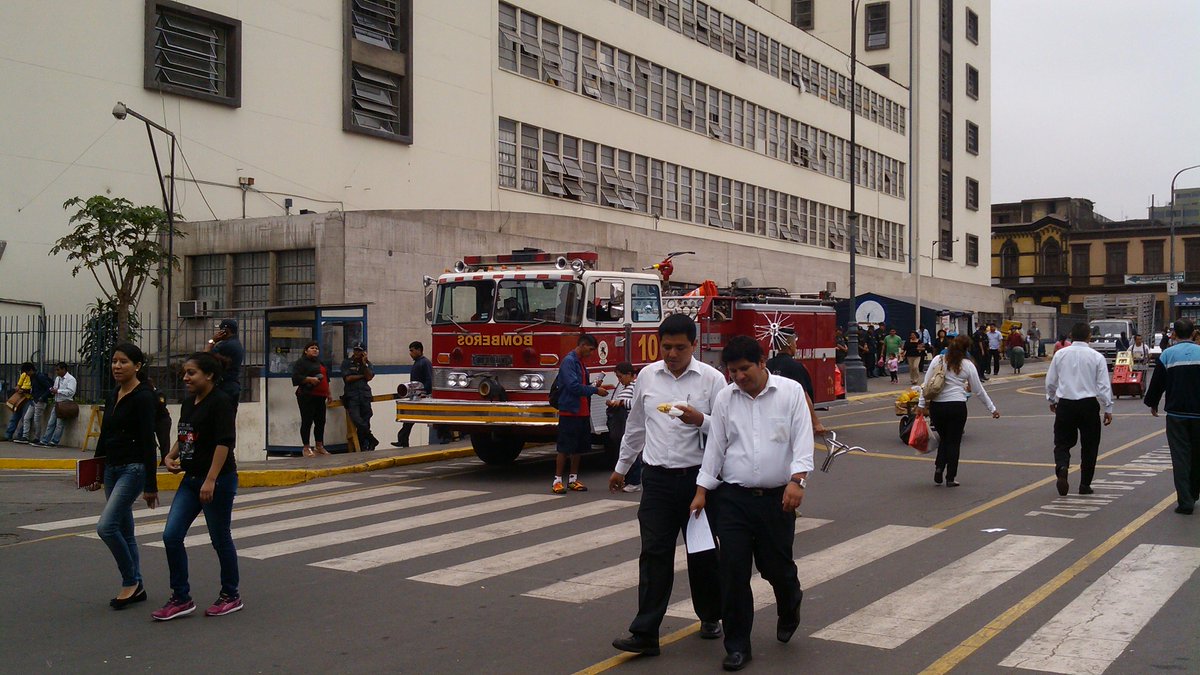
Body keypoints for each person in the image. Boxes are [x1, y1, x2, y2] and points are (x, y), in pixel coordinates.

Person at [688, 336, 813, 672]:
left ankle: (790, 603)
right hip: (733, 499)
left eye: (744, 369)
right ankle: (738, 646)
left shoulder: (789, 393)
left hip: (778, 499)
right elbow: (716, 446)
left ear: (762, 362)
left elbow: (803, 439)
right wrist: (702, 490)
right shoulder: (727, 398)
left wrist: (797, 480)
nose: (739, 377)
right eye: (732, 371)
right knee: (733, 573)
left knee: (776, 568)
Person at [608, 313, 725, 656]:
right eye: (667, 346)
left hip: (697, 482)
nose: (672, 353)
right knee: (654, 554)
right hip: (656, 479)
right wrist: (621, 467)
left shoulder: (712, 380)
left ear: (694, 345)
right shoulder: (647, 376)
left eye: (680, 347)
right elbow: (636, 426)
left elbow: (726, 430)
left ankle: (710, 614)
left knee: (702, 554)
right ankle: (645, 632)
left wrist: (699, 419)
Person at [155, 352, 242, 620]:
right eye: (185, 372)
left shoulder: (221, 402)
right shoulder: (189, 402)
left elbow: (224, 443)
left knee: (219, 538)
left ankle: (231, 594)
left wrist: (211, 480)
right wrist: (171, 455)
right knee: (171, 535)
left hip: (217, 481)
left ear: (209, 375)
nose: (185, 377)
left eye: (191, 373)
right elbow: (186, 435)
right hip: (191, 479)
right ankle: (180, 597)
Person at [86, 343, 159, 610]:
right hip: (112, 468)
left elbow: (148, 441)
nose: (117, 366)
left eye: (123, 362)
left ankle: (131, 582)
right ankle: (136, 585)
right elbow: (105, 435)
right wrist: (95, 470)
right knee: (125, 531)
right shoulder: (113, 394)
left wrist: (151, 485)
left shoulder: (143, 397)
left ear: (137, 366)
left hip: (133, 468)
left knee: (106, 527)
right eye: (114, 361)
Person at [916, 335, 1000, 486]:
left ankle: (939, 467)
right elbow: (978, 390)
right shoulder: (967, 365)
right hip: (957, 406)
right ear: (966, 349)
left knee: (944, 438)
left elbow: (926, 383)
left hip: (937, 406)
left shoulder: (938, 360)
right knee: (953, 442)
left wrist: (921, 405)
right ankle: (950, 477)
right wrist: (992, 408)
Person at [1045, 322, 1113, 497]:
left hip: (1066, 403)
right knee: (1090, 445)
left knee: (1062, 442)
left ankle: (1062, 467)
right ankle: (1085, 484)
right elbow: (1103, 385)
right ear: (1089, 336)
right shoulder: (1096, 356)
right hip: (1088, 404)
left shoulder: (1060, 354)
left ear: (1070, 335)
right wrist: (1108, 407)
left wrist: (1052, 399)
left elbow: (1051, 381)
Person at [1144, 319, 1200, 515]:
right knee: (1197, 455)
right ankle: (1193, 492)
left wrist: (1152, 403)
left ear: (1174, 334)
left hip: (1176, 415)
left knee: (1180, 457)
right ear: (1193, 334)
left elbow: (1157, 383)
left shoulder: (1167, 355)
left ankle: (1185, 501)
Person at [553, 334, 609, 494]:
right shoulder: (569, 362)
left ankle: (573, 479)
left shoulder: (581, 363)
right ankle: (557, 480)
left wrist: (593, 385)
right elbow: (573, 387)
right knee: (564, 447)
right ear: (583, 345)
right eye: (590, 349)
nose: (591, 353)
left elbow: (581, 385)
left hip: (583, 411)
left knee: (578, 448)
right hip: (570, 411)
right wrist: (595, 390)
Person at [766, 327, 828, 434]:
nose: (796, 345)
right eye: (795, 342)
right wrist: (816, 422)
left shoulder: (768, 365)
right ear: (790, 345)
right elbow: (804, 396)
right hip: (791, 420)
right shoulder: (795, 367)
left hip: (770, 418)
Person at [292, 341, 331, 457]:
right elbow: (296, 377)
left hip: (321, 396)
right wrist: (309, 379)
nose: (315, 350)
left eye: (317, 348)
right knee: (307, 420)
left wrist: (329, 394)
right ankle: (306, 447)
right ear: (306, 350)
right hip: (307, 395)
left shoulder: (320, 362)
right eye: (312, 348)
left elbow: (326, 379)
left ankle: (319, 446)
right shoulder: (301, 363)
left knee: (320, 421)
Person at [394, 341, 435, 448]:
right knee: (408, 418)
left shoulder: (424, 363)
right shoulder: (418, 363)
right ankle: (403, 440)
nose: (410, 353)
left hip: (422, 396)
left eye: (412, 351)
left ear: (418, 350)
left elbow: (429, 379)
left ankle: (445, 437)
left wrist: (424, 392)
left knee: (432, 417)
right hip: (415, 395)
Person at [606, 362, 639, 492]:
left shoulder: (635, 386)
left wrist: (621, 403)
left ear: (629, 374)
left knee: (631, 451)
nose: (619, 380)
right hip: (621, 423)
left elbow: (636, 403)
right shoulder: (624, 387)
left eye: (621, 377)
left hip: (630, 423)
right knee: (623, 450)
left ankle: (634, 482)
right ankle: (626, 479)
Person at [341, 342, 378, 451]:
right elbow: (348, 378)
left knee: (366, 420)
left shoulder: (367, 364)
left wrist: (363, 364)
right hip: (352, 396)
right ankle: (371, 438)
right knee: (357, 419)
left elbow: (369, 377)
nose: (357, 352)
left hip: (365, 395)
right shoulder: (347, 363)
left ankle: (364, 446)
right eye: (356, 350)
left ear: (364, 352)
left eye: (360, 351)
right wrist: (362, 376)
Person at [205, 318, 245, 412]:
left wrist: (212, 340)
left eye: (220, 330)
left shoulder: (226, 345)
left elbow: (204, 356)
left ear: (225, 331)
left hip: (224, 386)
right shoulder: (236, 343)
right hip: (232, 386)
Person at [36, 362, 77, 447]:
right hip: (57, 403)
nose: (57, 372)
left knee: (60, 424)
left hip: (65, 403)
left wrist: (58, 391)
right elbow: (55, 387)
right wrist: (53, 390)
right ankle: (45, 440)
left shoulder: (71, 379)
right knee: (51, 422)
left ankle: (54, 441)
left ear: (64, 369)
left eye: (58, 370)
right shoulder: (58, 378)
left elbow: (71, 392)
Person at [5, 362, 35, 442]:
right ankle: (8, 435)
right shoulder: (24, 375)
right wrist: (18, 389)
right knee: (15, 416)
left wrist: (25, 391)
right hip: (21, 398)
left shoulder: (34, 377)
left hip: (28, 399)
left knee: (25, 418)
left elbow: (33, 389)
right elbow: (18, 385)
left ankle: (20, 435)